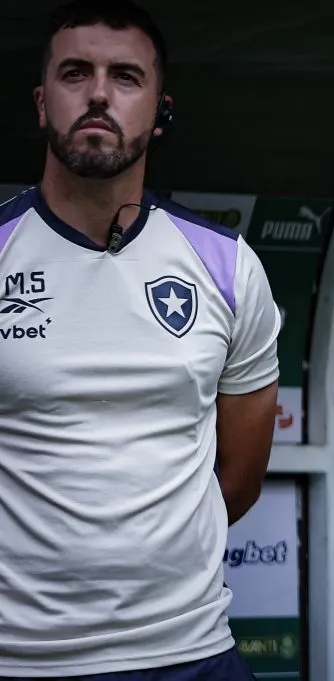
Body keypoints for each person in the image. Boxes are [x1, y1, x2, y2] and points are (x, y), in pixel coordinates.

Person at [0, 0, 281, 678]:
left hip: (188, 652)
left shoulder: (226, 266)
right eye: (76, 73)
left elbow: (236, 479)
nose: (98, 94)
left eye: (126, 77)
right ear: (42, 103)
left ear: (160, 111)